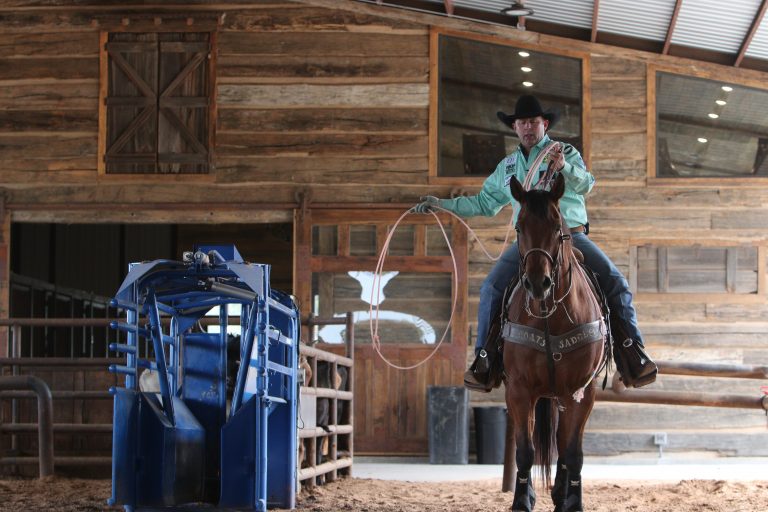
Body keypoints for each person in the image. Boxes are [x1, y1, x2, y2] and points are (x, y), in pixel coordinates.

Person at [416, 95, 657, 392]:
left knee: (615, 282)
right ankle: (485, 359)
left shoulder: (564, 151)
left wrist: (565, 167)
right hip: (529, 243)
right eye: (522, 123)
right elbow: (484, 203)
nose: (528, 127)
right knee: (492, 287)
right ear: (514, 127)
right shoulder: (508, 167)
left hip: (570, 236)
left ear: (544, 124)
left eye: (533, 122)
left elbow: (587, 184)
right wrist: (442, 204)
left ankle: (632, 353)